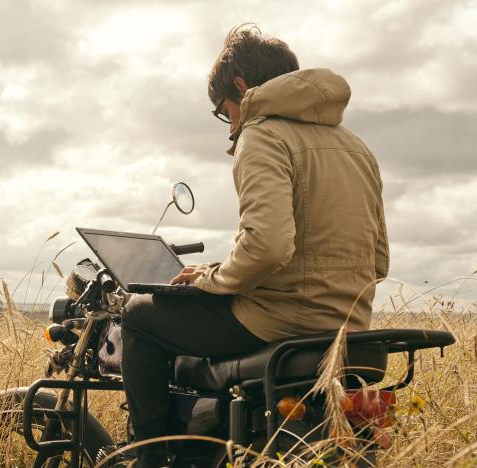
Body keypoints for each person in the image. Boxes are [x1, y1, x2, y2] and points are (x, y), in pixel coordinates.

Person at [120, 24, 389, 467]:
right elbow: (379, 259)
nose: (230, 123)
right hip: (350, 324)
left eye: (225, 112)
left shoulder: (262, 134)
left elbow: (267, 247)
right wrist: (229, 270)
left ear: (241, 88)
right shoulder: (355, 146)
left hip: (282, 322)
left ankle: (148, 455)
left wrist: (211, 281)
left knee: (138, 316)